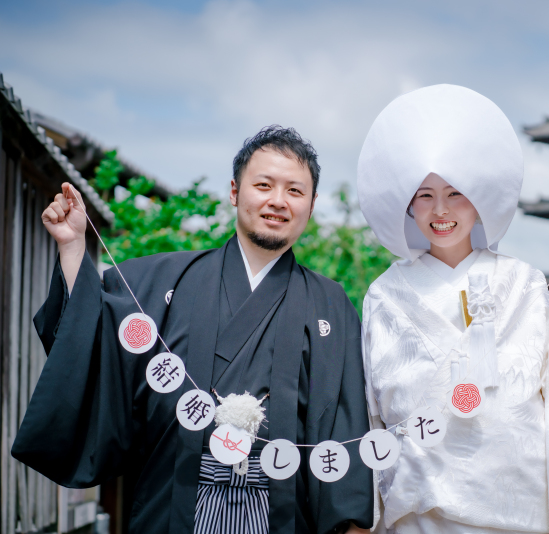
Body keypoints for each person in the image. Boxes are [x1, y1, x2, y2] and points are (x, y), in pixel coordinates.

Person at [12, 126, 373, 534]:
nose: (277, 201)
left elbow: (346, 429)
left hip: (283, 518)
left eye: (294, 191)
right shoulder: (160, 279)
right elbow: (93, 340)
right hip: (173, 508)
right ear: (235, 192)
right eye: (264, 185)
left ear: (311, 205)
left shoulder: (331, 306)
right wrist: (74, 247)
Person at [357, 84, 549, 533]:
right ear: (409, 206)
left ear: (479, 200)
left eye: (455, 194)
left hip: (517, 506)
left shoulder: (523, 281)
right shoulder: (385, 294)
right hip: (420, 509)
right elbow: (373, 409)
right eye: (425, 196)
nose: (440, 210)